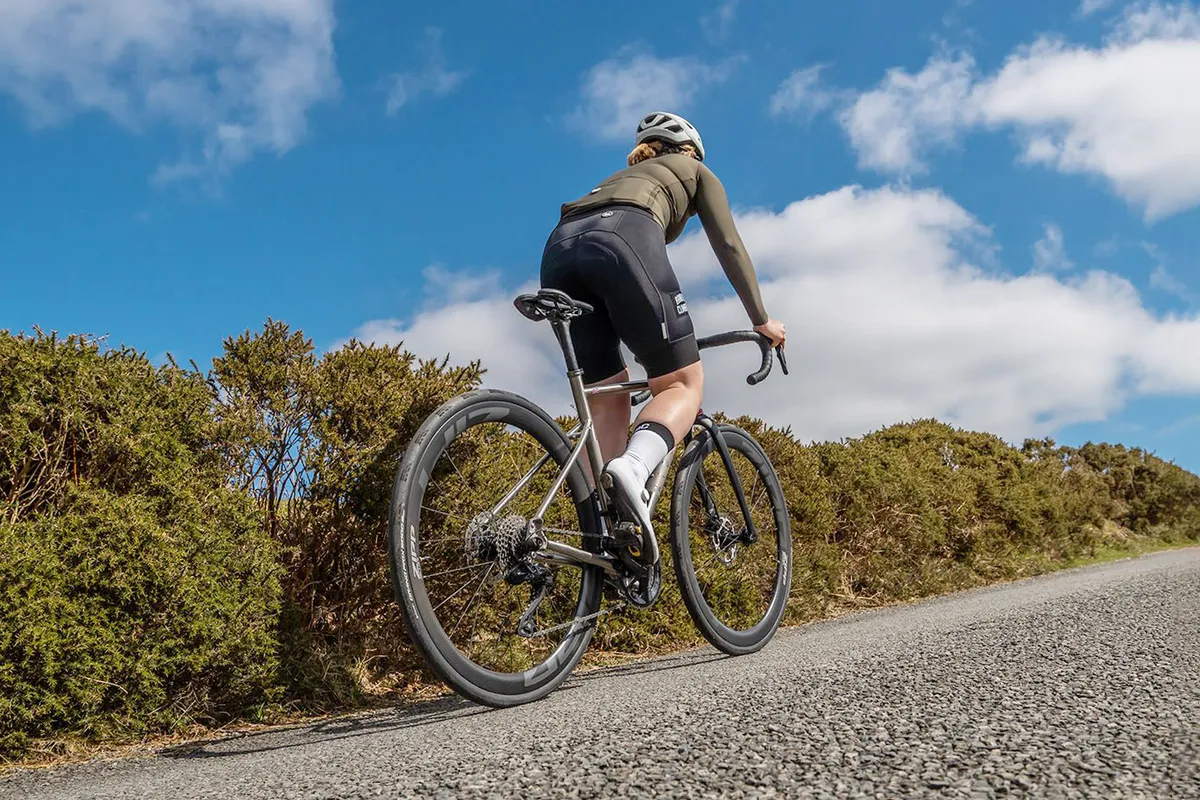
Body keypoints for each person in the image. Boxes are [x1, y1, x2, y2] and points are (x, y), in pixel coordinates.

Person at [539, 111, 786, 547]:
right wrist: (760, 320)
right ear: (689, 150)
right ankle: (634, 467)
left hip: (558, 250)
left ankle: (609, 533)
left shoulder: (616, 178)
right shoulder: (694, 168)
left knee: (610, 397)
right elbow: (728, 244)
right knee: (681, 384)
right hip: (622, 239)